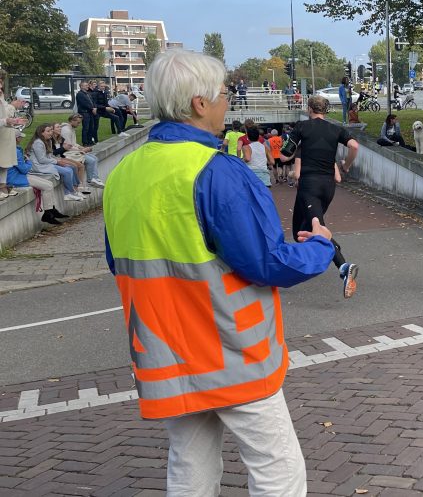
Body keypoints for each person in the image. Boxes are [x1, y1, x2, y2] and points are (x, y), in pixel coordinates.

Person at [102, 49, 335, 495]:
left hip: (164, 352)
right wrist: (320, 248)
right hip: (232, 349)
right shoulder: (218, 171)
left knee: (189, 465)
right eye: (225, 94)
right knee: (276, 465)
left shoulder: (123, 173)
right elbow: (267, 262)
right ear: (199, 103)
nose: (229, 102)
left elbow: (119, 261)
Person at [280, 95, 363, 298]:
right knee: (301, 231)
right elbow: (354, 146)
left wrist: (295, 149)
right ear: (326, 110)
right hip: (327, 186)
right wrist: (347, 165)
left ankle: (344, 266)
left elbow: (284, 155)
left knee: (315, 226)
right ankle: (328, 248)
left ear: (309, 109)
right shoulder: (335, 129)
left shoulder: (302, 127)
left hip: (309, 185)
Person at [8, 129, 69, 225]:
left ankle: (51, 210)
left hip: (18, 175)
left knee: (49, 184)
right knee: (47, 186)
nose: (21, 139)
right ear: (16, 139)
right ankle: (48, 214)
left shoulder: (13, 149)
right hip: (15, 178)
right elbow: (24, 169)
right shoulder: (15, 151)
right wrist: (28, 161)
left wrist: (25, 161)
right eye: (20, 137)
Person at [0, 75, 29, 199]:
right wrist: (8, 120)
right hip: (3, 133)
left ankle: (3, 186)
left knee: (5, 163)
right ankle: (2, 187)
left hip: (5, 133)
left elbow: (5, 116)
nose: (0, 86)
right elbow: (5, 117)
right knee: (2, 162)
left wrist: (14, 121)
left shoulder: (1, 97)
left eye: (1, 83)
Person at [59, 115, 106, 188]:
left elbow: (73, 144)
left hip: (73, 151)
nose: (79, 124)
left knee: (94, 158)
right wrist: (81, 150)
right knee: (91, 160)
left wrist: (82, 147)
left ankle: (95, 178)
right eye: (78, 122)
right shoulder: (66, 131)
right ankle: (90, 180)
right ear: (72, 121)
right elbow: (67, 147)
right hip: (68, 154)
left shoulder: (71, 129)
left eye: (79, 122)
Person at [75, 80, 98, 146]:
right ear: (81, 86)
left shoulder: (88, 94)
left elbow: (92, 101)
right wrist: (92, 108)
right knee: (86, 128)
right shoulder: (80, 94)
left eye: (87, 85)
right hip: (84, 112)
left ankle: (90, 140)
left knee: (91, 127)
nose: (87, 86)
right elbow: (84, 104)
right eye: (85, 85)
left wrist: (95, 107)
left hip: (90, 112)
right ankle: (85, 142)